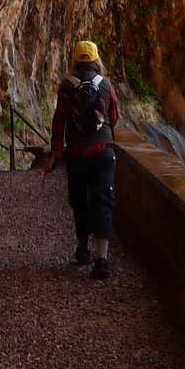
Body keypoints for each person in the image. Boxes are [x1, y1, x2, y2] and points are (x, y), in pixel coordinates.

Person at [45, 41, 119, 280]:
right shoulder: (105, 84)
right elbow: (114, 116)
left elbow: (59, 122)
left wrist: (56, 154)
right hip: (103, 151)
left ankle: (83, 248)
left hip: (77, 153)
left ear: (75, 61)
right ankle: (102, 258)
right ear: (96, 60)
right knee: (103, 201)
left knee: (80, 200)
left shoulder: (67, 86)